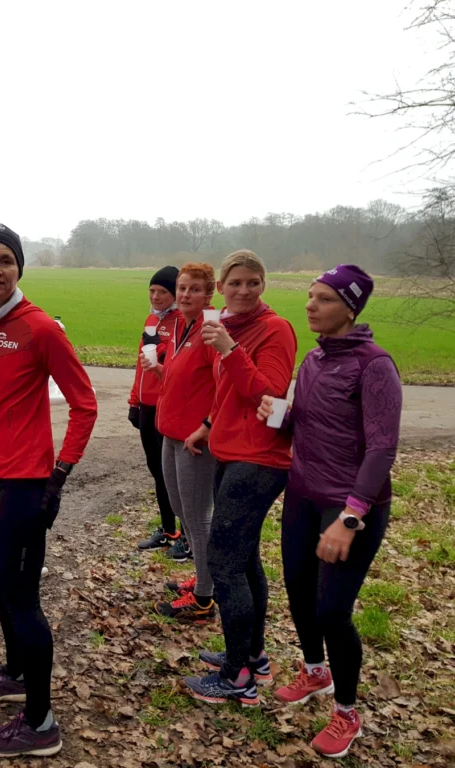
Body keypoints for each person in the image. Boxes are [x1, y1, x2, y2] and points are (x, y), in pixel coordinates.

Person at [0, 224, 98, 758]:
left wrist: (60, 475)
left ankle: (40, 722)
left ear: (18, 270)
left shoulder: (40, 329)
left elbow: (85, 404)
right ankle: (13, 672)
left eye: (5, 261)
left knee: (23, 598)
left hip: (25, 484)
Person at [258, 266, 399, 759]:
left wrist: (350, 516)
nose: (309, 305)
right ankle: (314, 671)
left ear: (350, 308)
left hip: (349, 506)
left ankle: (346, 712)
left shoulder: (374, 365)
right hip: (302, 494)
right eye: (310, 296)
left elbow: (382, 450)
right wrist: (279, 415)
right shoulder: (314, 360)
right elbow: (303, 423)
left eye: (322, 298)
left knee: (332, 611)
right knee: (298, 590)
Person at [184, 250, 297, 707]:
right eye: (236, 283)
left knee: (225, 564)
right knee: (245, 560)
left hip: (260, 459)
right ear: (223, 288)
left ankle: (237, 678)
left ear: (263, 285)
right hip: (229, 452)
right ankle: (253, 655)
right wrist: (209, 424)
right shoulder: (225, 326)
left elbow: (268, 393)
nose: (244, 290)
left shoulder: (275, 330)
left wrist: (229, 350)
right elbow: (227, 391)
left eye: (253, 282)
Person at [143, 262, 219, 623]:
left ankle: (204, 597)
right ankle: (204, 578)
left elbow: (225, 386)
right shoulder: (182, 328)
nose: (187, 294)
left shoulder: (210, 332)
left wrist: (206, 425)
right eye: (183, 288)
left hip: (194, 440)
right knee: (178, 505)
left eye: (195, 289)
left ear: (210, 293)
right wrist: (161, 372)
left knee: (197, 515)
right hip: (170, 432)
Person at [132, 266, 187, 559]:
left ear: (174, 294)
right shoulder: (152, 319)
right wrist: (133, 400)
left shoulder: (181, 321)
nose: (155, 296)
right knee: (156, 471)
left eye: (162, 292)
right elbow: (141, 364)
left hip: (166, 405)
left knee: (174, 475)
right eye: (152, 291)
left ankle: (186, 535)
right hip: (146, 405)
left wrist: (162, 349)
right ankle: (168, 531)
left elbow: (178, 366)